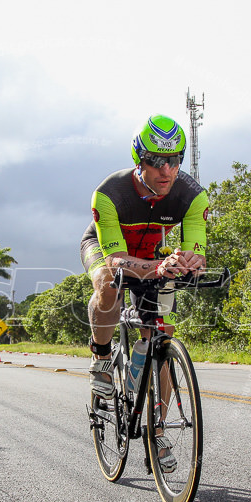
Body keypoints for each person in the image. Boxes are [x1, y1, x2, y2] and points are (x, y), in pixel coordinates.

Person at [81, 114, 208, 472]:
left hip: (152, 255)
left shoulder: (193, 195)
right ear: (140, 159)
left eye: (174, 159)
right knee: (109, 281)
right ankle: (102, 356)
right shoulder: (109, 193)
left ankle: (156, 428)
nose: (166, 170)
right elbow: (118, 259)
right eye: (156, 161)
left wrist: (191, 261)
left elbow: (196, 246)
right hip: (106, 249)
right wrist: (161, 266)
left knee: (159, 341)